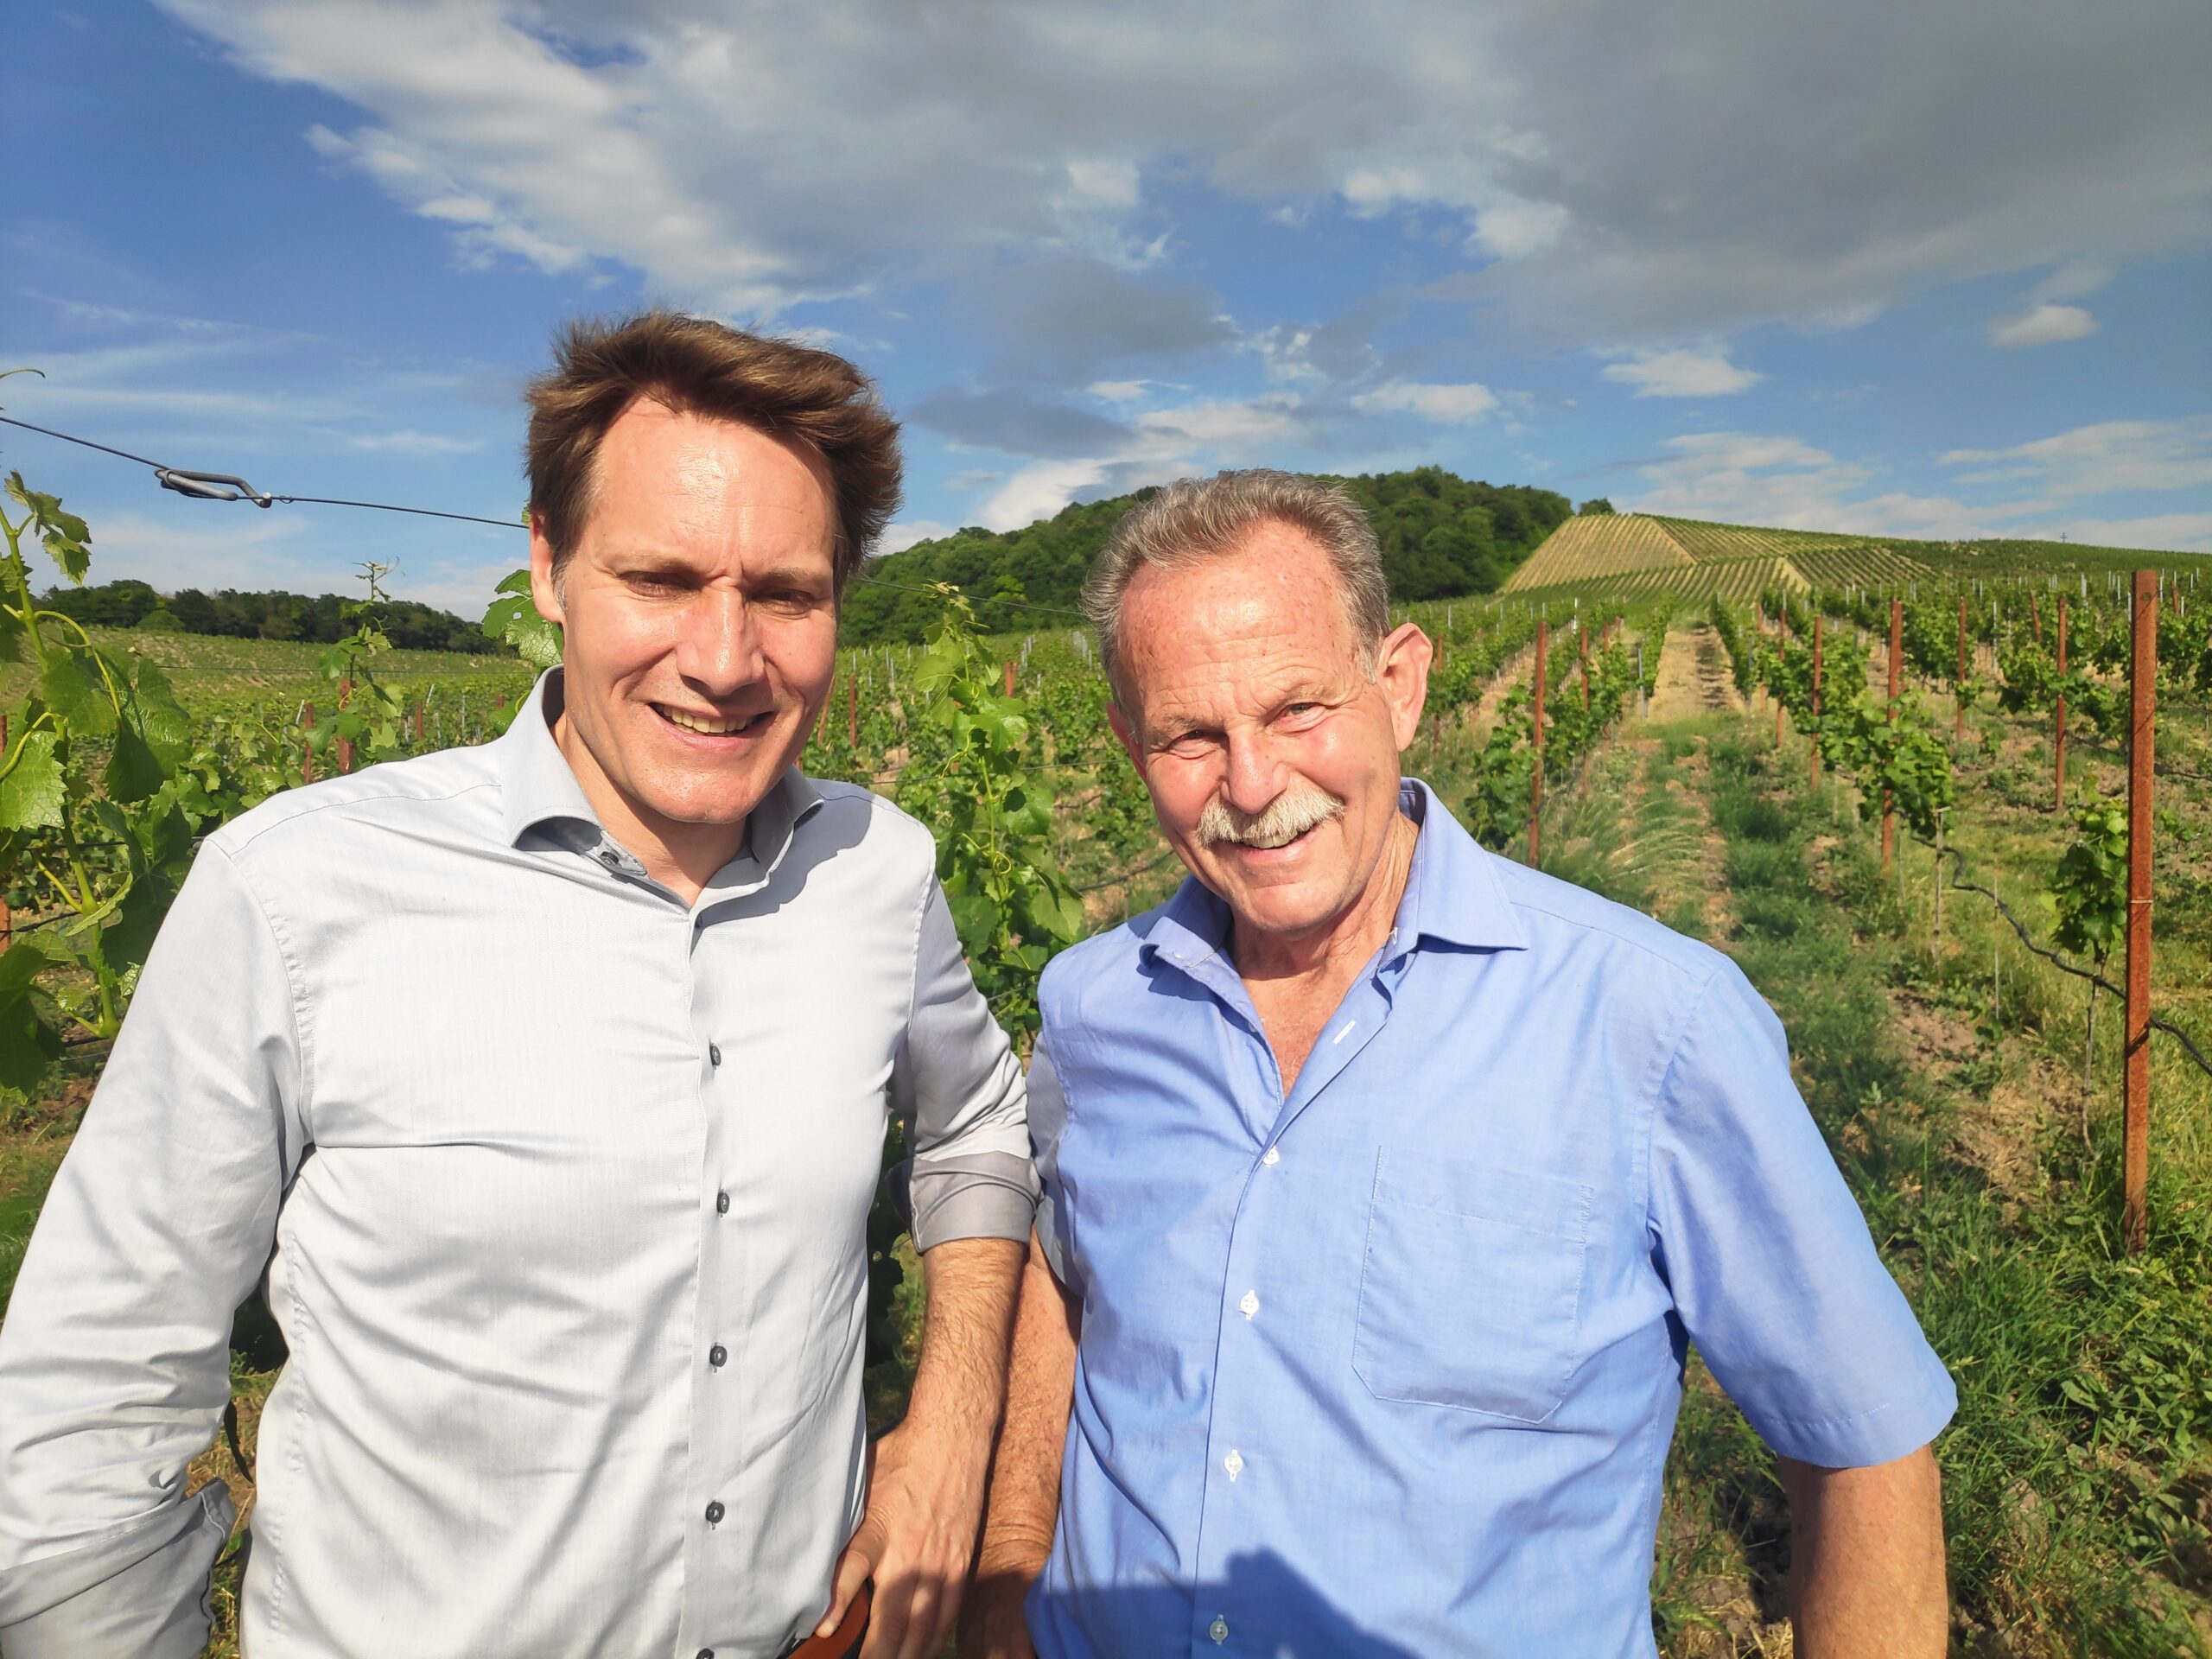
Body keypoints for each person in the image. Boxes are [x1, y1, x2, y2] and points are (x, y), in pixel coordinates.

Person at [0, 312, 1034, 1659]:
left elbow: (975, 1130)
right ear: (548, 565)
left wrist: (950, 1428)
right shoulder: (295, 890)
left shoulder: (879, 872)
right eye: (659, 578)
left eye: (784, 593)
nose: (725, 660)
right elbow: (95, 1393)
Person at [962, 470, 1955, 1659]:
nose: (1253, 784)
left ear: (1402, 685)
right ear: (1131, 744)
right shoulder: (1092, 1006)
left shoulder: (1652, 1022)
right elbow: (1065, 1282)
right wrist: (1008, 1575)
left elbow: (1863, 1446)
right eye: (1190, 734)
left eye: (1295, 711)